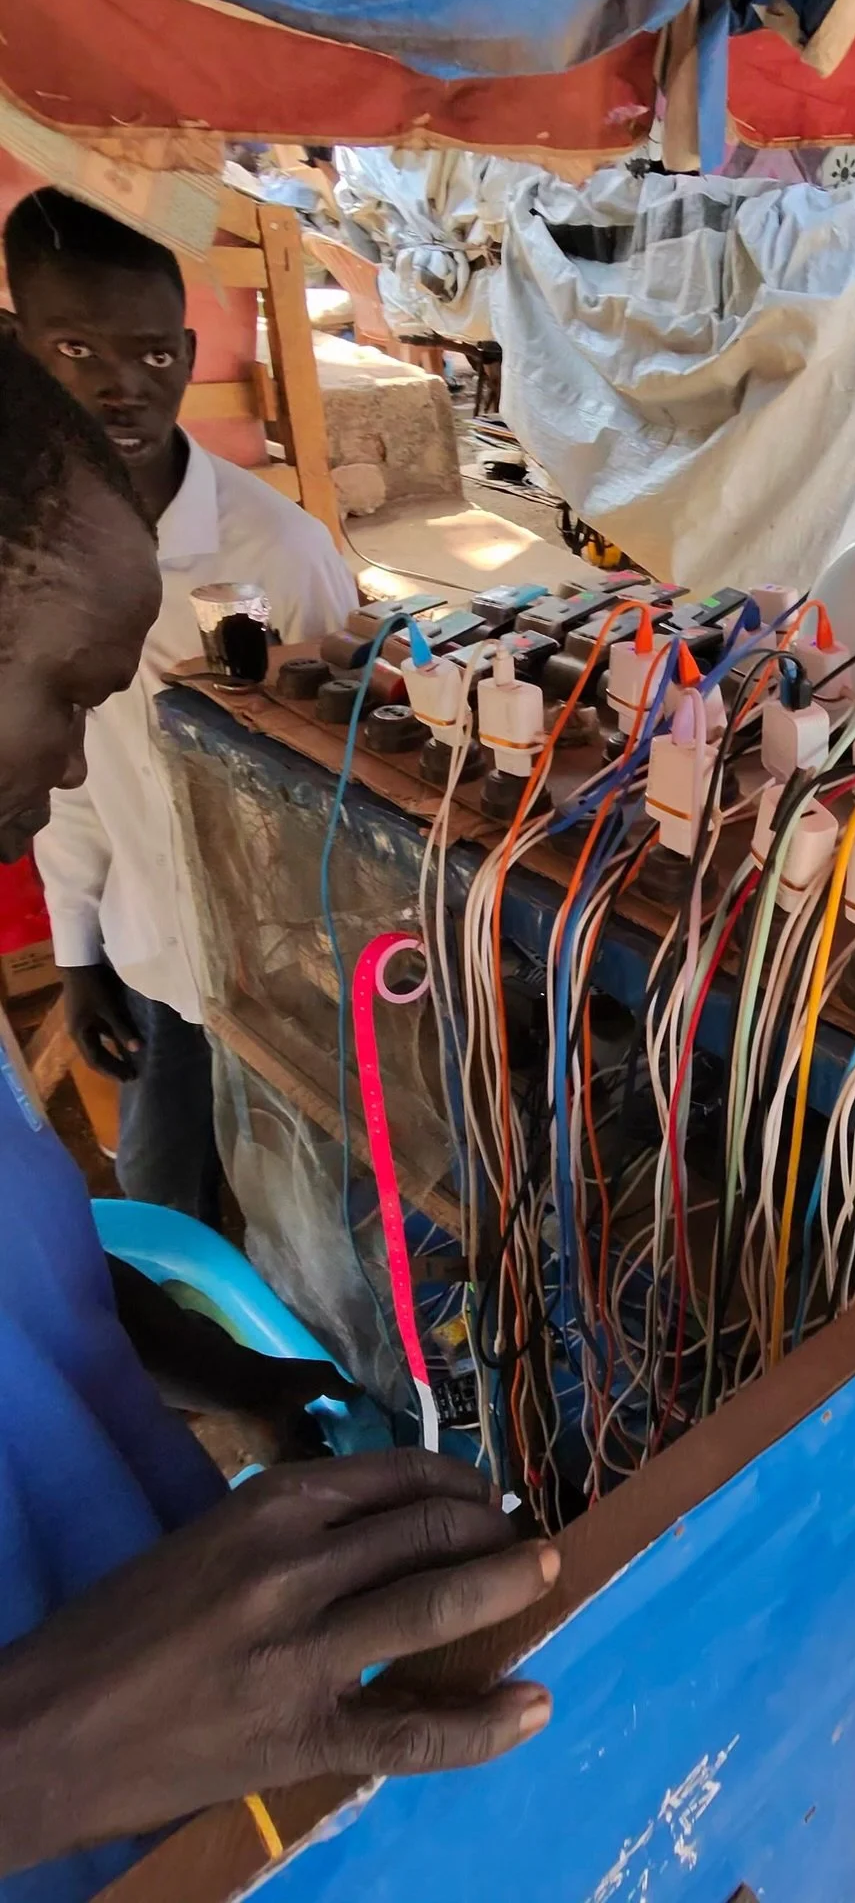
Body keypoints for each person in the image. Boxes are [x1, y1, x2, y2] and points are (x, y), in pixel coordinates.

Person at [0, 328, 558, 1901]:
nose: (63, 766)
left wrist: (231, 1373)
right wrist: (41, 1747)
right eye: (58, 696)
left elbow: (32, 1278)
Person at [3, 188, 357, 1223]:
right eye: (77, 349)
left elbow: (344, 782)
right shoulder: (27, 567)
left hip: (296, 977)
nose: (121, 388)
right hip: (150, 951)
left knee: (315, 1222)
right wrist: (80, 952)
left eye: (154, 357)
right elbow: (67, 783)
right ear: (22, 345)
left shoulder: (279, 554)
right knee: (165, 1201)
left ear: (188, 349)